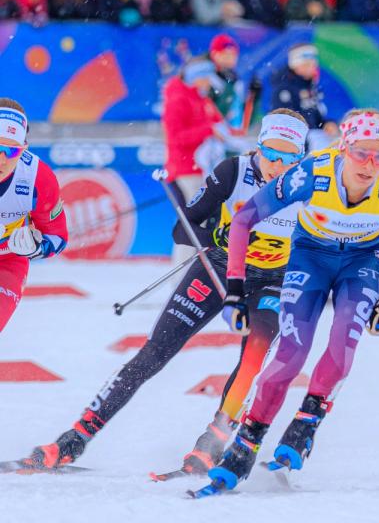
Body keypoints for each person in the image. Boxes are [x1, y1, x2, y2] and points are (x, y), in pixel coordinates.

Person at [20, 110, 308, 472]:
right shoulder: (233, 172)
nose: (278, 165)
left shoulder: (310, 185)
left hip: (272, 280)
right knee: (154, 353)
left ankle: (212, 443)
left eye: (289, 157)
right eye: (271, 153)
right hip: (217, 270)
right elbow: (182, 230)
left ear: (302, 157)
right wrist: (216, 236)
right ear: (259, 147)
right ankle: (76, 437)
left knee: (253, 360)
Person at [201, 109, 379, 492]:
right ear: (344, 148)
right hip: (310, 255)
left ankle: (306, 422)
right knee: (292, 351)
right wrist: (236, 286)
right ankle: (248, 439)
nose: (370, 165)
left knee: (344, 339)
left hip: (363, 261)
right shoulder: (311, 172)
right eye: (360, 153)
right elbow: (243, 221)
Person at [0, 98, 68, 333]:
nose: (1, 159)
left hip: (7, 262)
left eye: (11, 150)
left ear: (24, 149)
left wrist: (36, 248)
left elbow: (58, 238)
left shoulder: (38, 178)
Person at [162, 56, 224, 268]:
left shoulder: (199, 97)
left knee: (199, 225)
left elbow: (218, 122)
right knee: (192, 227)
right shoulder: (178, 98)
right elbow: (175, 138)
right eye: (206, 78)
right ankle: (181, 277)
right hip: (186, 171)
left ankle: (191, 273)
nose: (209, 84)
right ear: (197, 77)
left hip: (200, 169)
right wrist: (209, 131)